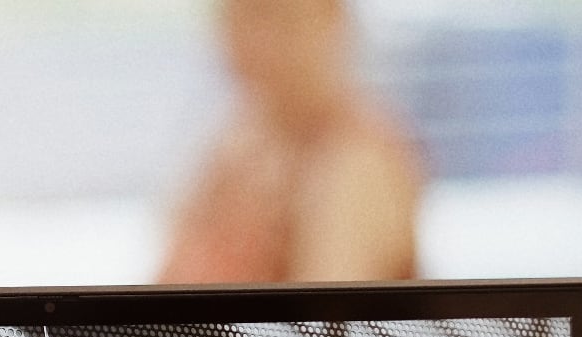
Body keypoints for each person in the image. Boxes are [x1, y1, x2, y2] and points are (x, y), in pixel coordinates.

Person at [158, 0, 421, 285]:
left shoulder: (356, 160)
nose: (256, 40)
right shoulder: (238, 138)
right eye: (240, 16)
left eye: (279, 18)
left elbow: (321, 320)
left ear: (332, 21)